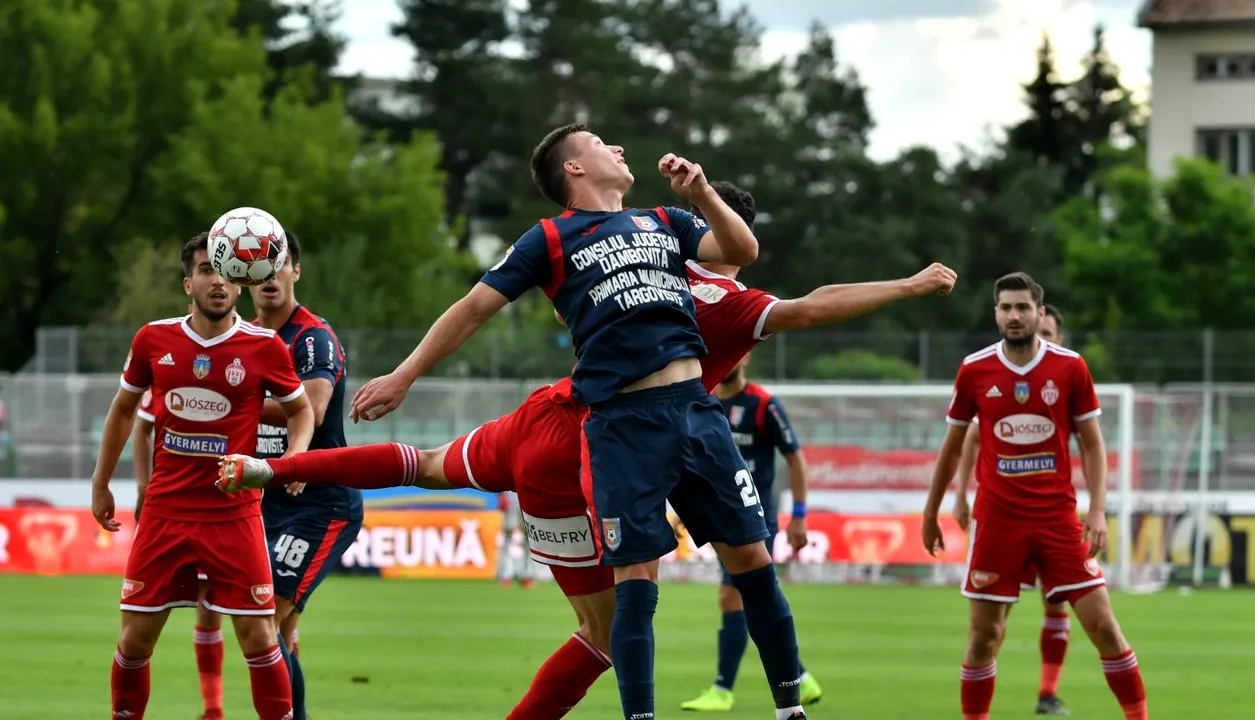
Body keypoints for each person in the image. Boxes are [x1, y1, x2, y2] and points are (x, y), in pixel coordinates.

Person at [220, 181, 956, 718]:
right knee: (618, 622)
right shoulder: (725, 297)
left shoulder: (631, 254)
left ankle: (270, 467)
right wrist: (907, 285)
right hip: (599, 447)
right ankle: (781, 699)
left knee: (421, 462)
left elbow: (491, 299)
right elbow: (810, 302)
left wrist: (407, 374)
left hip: (547, 416)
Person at [348, 124, 812, 720]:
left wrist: (701, 193)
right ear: (574, 168)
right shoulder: (547, 239)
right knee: (635, 580)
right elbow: (473, 308)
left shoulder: (665, 220)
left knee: (752, 559)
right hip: (620, 420)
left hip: (696, 412)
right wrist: (404, 374)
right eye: (602, 144)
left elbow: (742, 252)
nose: (619, 148)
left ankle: (788, 710)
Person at [91, 232, 314, 720]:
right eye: (206, 271)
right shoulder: (154, 338)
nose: (218, 282)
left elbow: (302, 412)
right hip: (166, 514)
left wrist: (292, 461)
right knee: (133, 639)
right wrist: (102, 482)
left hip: (234, 514)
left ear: (240, 282)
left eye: (226, 273)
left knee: (259, 636)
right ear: (187, 282)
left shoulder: (264, 346)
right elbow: (125, 411)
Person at [921, 272, 1148, 720]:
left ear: (1040, 313)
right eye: (1006, 308)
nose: (1014, 316)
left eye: (1023, 307)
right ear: (996, 314)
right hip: (997, 521)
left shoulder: (1070, 367)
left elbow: (1093, 444)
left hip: (1057, 520)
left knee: (1104, 626)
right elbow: (954, 446)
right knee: (984, 638)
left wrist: (1098, 509)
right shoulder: (974, 369)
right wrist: (933, 511)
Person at [249, 231, 363, 720]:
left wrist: (240, 402)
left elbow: (312, 412)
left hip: (320, 502)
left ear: (296, 271)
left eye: (281, 265)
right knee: (280, 630)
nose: (271, 277)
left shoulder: (312, 337)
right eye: (261, 269)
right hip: (268, 501)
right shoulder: (247, 337)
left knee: (264, 621)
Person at [950, 303, 1075, 716]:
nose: (1047, 339)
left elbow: (1088, 443)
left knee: (1057, 603)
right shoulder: (995, 375)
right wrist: (961, 494)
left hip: (1051, 510)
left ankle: (1047, 693)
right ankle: (984, 688)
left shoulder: (1065, 377)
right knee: (990, 624)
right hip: (1003, 513)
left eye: (1053, 334)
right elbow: (970, 439)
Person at [681, 351, 821, 712]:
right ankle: (800, 676)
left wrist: (800, 516)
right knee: (751, 597)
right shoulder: (702, 400)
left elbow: (796, 458)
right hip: (717, 518)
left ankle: (722, 689)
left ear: (746, 356)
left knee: (734, 597)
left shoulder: (763, 405)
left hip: (756, 519)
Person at [132, 302, 228, 720]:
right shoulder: (167, 368)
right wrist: (143, 486)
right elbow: (140, 424)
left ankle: (214, 708)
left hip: (226, 509)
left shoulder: (243, 359)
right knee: (144, 622)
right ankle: (213, 708)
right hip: (172, 509)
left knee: (246, 617)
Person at [496, 491, 536, 587]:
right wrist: (501, 495)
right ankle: (505, 575)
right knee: (507, 538)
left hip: (526, 494)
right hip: (510, 495)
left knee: (530, 538)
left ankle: (527, 575)